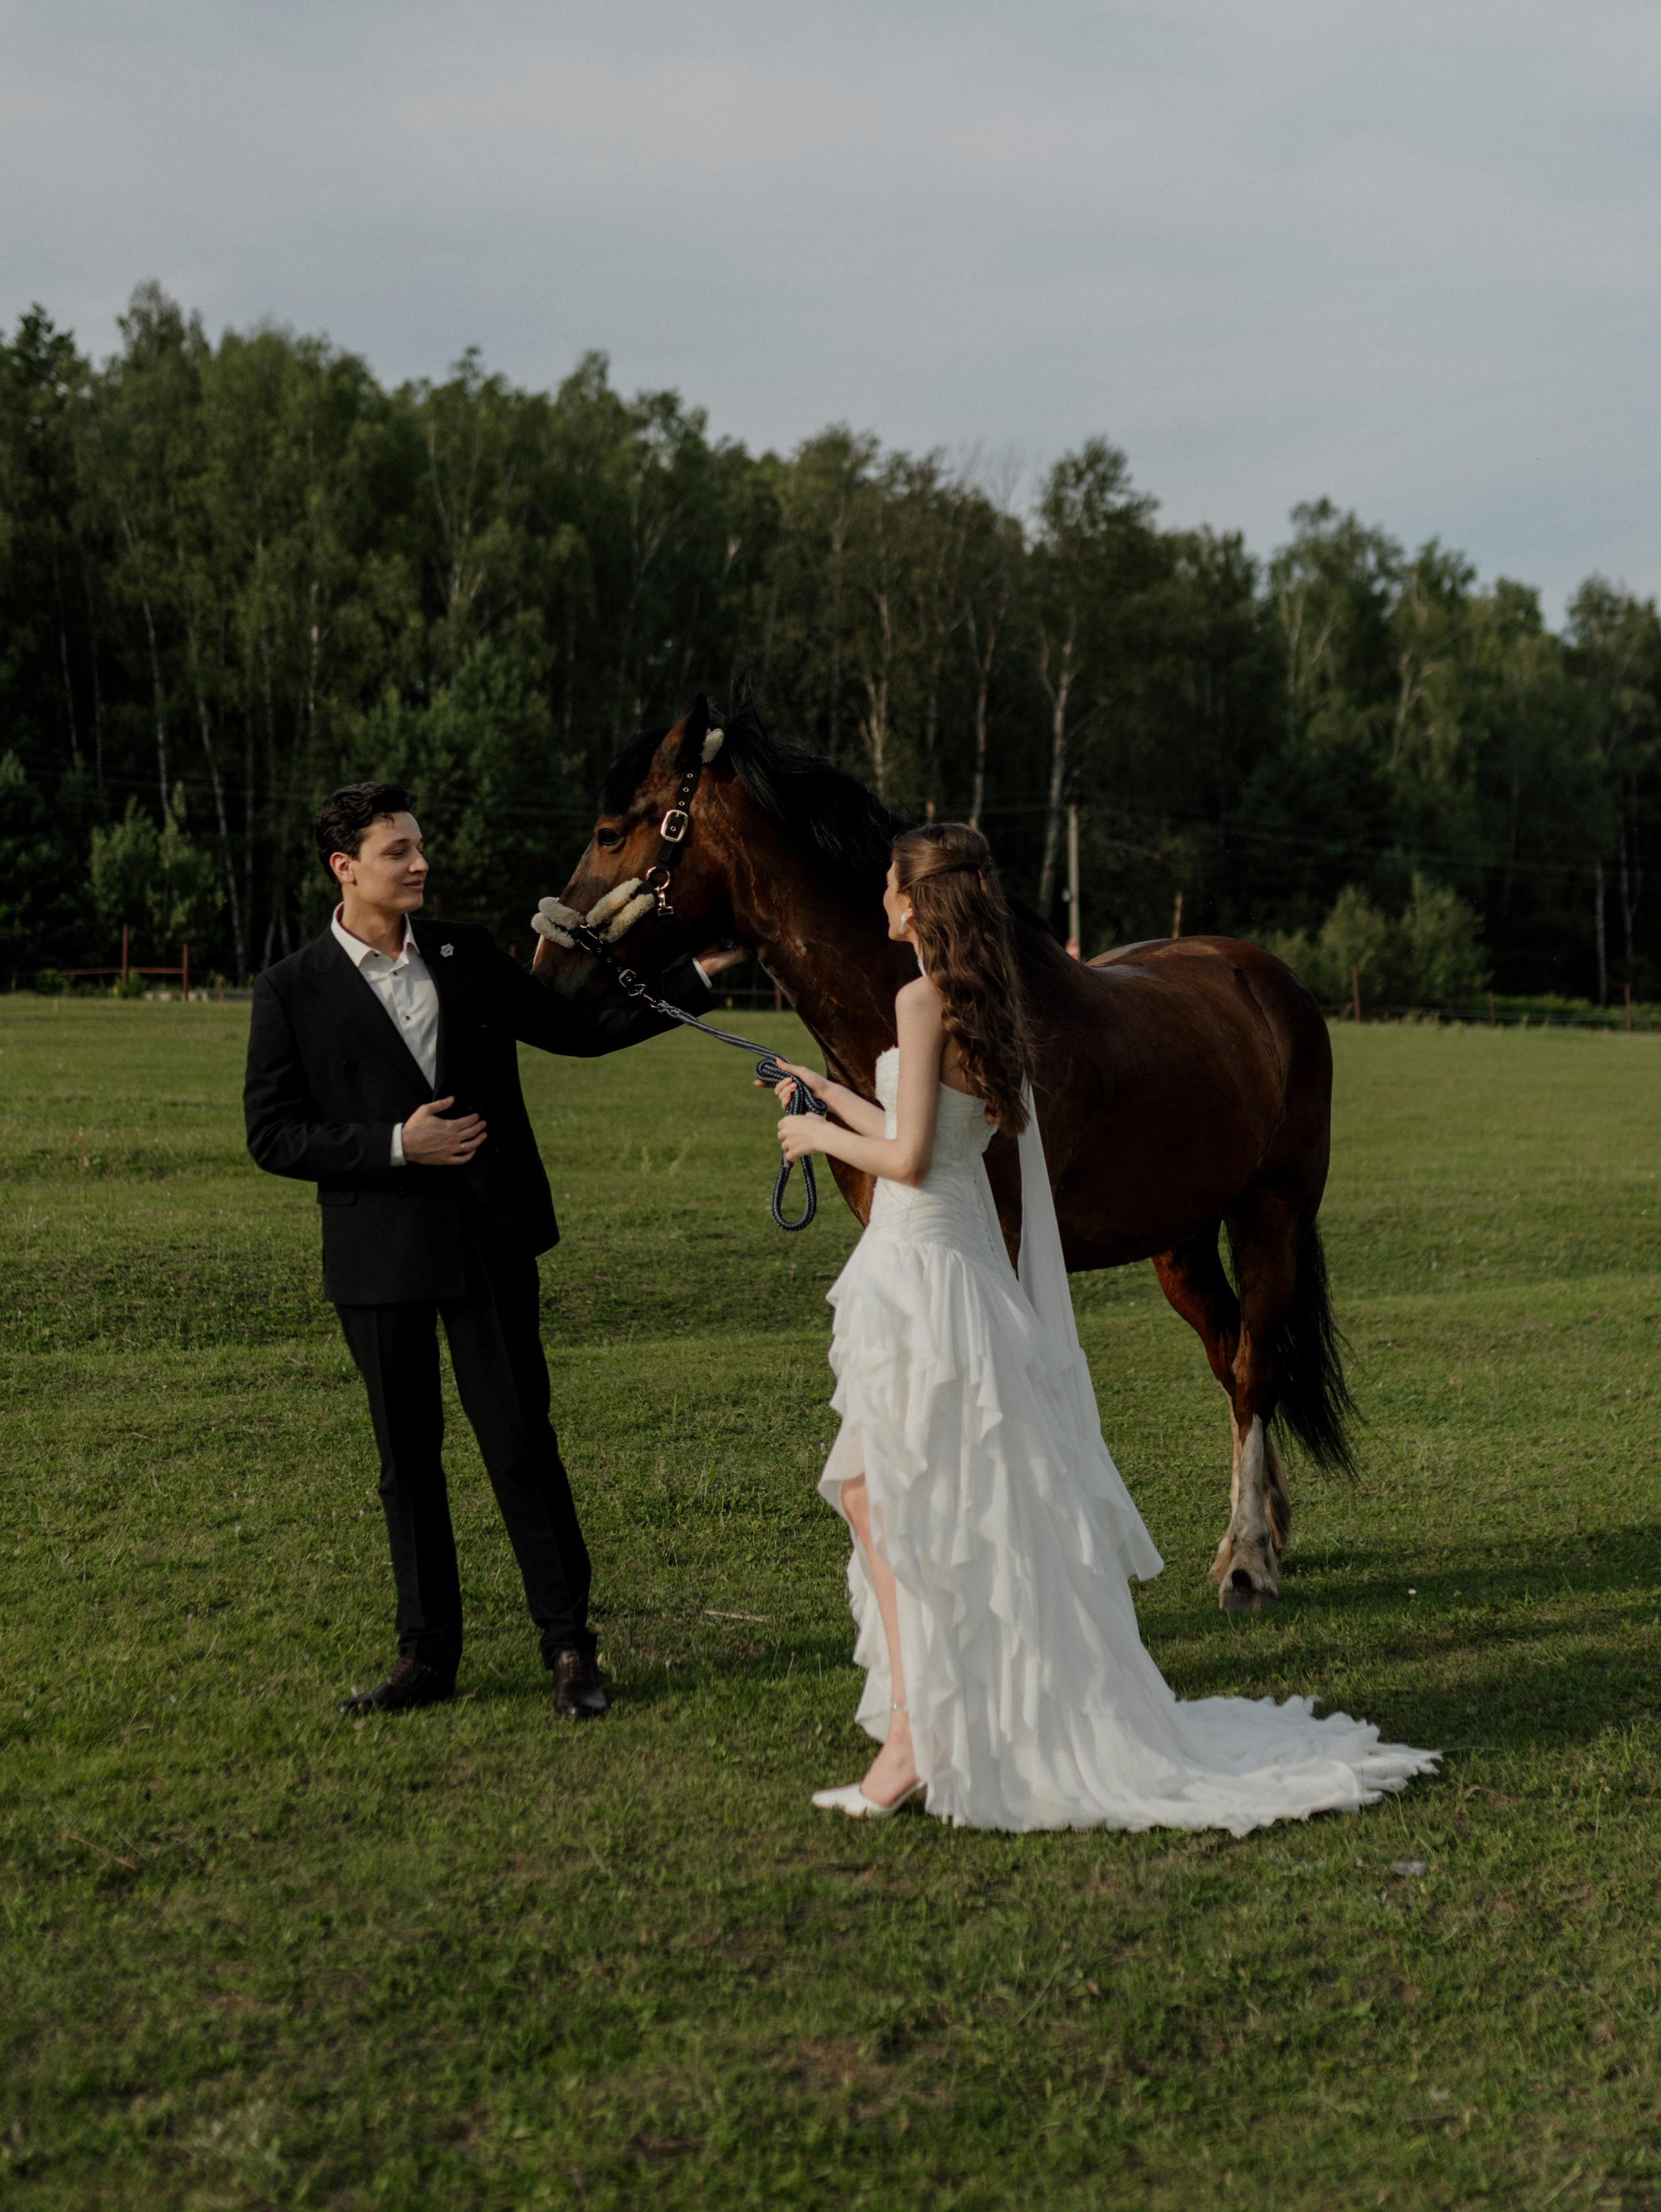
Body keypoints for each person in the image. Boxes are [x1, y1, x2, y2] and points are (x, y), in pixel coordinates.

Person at [768, 820, 1437, 1832]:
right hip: (953, 1270)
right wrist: (822, 1089)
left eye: (892, 889)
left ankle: (916, 1736)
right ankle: (932, 1722)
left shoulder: (917, 997)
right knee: (899, 1496)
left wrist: (817, 1131)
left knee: (889, 1495)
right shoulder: (983, 1001)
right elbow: (936, 1135)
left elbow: (907, 1159)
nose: (881, 904)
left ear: (917, 903)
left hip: (922, 1274)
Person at [243, 781, 726, 1722]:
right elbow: (272, 1133)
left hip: (490, 1242)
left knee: (519, 1445)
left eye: (420, 847)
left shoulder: (466, 951)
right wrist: (395, 1144)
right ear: (345, 868)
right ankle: (426, 1659)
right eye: (398, 851)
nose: (420, 863)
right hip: (378, 1256)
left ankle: (570, 1648)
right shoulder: (290, 988)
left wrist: (696, 981)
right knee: (407, 1460)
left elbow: (574, 1030)